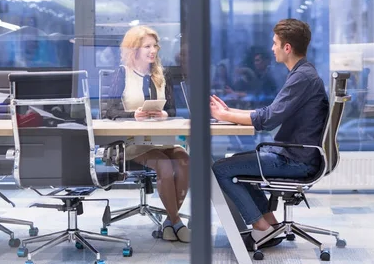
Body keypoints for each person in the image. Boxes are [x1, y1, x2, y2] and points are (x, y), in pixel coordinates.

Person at [210, 19, 329, 248]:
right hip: (297, 154)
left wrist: (225, 116)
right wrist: (229, 111)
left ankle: (260, 228)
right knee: (236, 163)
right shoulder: (303, 73)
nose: (271, 48)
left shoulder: (302, 78)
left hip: (296, 160)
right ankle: (271, 225)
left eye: (275, 43)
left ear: (287, 48)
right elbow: (270, 112)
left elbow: (267, 119)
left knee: (221, 169)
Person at [105, 25, 190, 243]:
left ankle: (169, 223)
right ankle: (177, 222)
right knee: (164, 164)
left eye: (155, 46)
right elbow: (108, 111)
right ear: (134, 49)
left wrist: (163, 113)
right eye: (147, 47)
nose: (153, 51)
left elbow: (172, 110)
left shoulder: (162, 74)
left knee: (183, 160)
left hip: (162, 138)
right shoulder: (122, 73)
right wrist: (134, 114)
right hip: (133, 142)